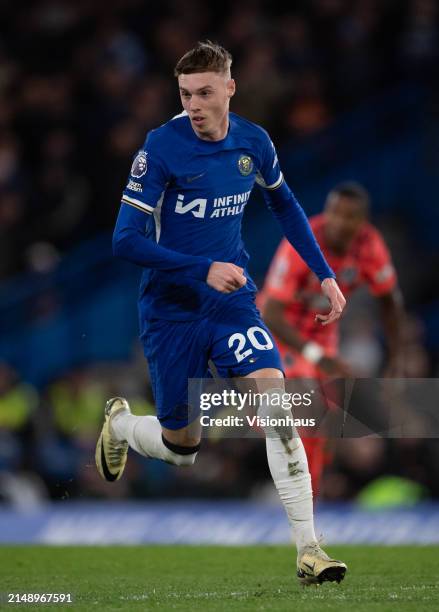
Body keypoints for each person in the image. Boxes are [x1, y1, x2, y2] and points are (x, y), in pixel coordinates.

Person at [95, 41, 347, 585]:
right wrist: (199, 266)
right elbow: (124, 240)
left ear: (230, 87)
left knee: (275, 400)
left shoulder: (253, 141)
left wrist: (323, 272)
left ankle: (310, 550)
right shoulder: (161, 148)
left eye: (205, 92)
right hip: (171, 310)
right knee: (182, 449)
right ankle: (120, 424)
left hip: (231, 302)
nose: (194, 104)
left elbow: (284, 202)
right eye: (185, 94)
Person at [259, 182, 404, 495]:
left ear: (361, 222)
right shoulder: (303, 239)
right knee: (305, 410)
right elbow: (271, 312)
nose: (339, 221)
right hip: (280, 333)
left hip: (322, 336)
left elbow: (390, 303)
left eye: (349, 216)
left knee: (321, 425)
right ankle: (297, 499)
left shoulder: (369, 246)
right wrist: (316, 356)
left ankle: (309, 501)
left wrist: (396, 357)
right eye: (335, 212)